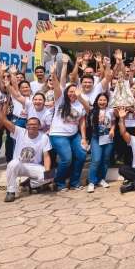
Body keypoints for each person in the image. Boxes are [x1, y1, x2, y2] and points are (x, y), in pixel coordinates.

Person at [0, 93, 52, 202]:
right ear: (26, 125)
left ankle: (31, 184)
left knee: (51, 174)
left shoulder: (44, 138)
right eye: (30, 124)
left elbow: (46, 156)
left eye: (35, 125)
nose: (32, 126)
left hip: (34, 166)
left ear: (39, 126)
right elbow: (4, 121)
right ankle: (11, 191)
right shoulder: (19, 132)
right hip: (20, 165)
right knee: (13, 163)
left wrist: (47, 171)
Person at [49, 61, 91, 192]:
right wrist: (53, 74)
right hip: (58, 135)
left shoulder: (80, 103)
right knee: (66, 159)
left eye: (75, 91)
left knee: (82, 155)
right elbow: (57, 86)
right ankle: (59, 182)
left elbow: (84, 118)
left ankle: (74, 181)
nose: (72, 93)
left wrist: (83, 137)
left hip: (73, 135)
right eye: (70, 91)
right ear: (66, 92)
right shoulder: (60, 99)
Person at [87, 92, 114, 193]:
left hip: (108, 137)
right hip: (96, 137)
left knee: (105, 160)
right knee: (96, 161)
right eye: (100, 100)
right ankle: (91, 182)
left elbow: (114, 122)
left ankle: (102, 179)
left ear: (107, 101)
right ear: (97, 101)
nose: (102, 102)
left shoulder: (110, 111)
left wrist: (112, 130)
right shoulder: (92, 110)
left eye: (104, 100)